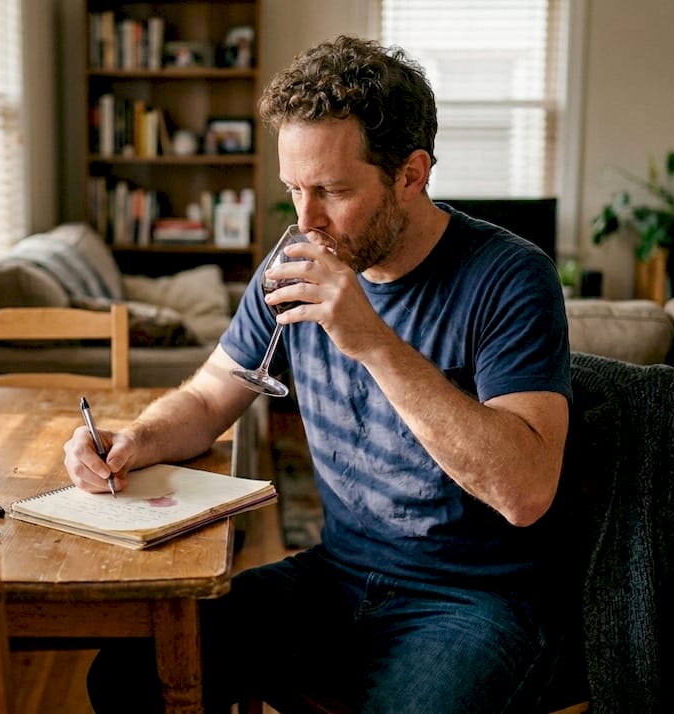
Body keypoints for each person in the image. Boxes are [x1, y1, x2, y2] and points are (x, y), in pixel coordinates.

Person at [63, 35, 572, 713]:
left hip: (473, 600)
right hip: (337, 575)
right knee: (129, 673)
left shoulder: (511, 277)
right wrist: (135, 439)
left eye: (332, 190)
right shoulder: (294, 263)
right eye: (294, 190)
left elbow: (526, 491)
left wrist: (373, 342)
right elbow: (211, 396)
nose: (306, 220)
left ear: (411, 175)